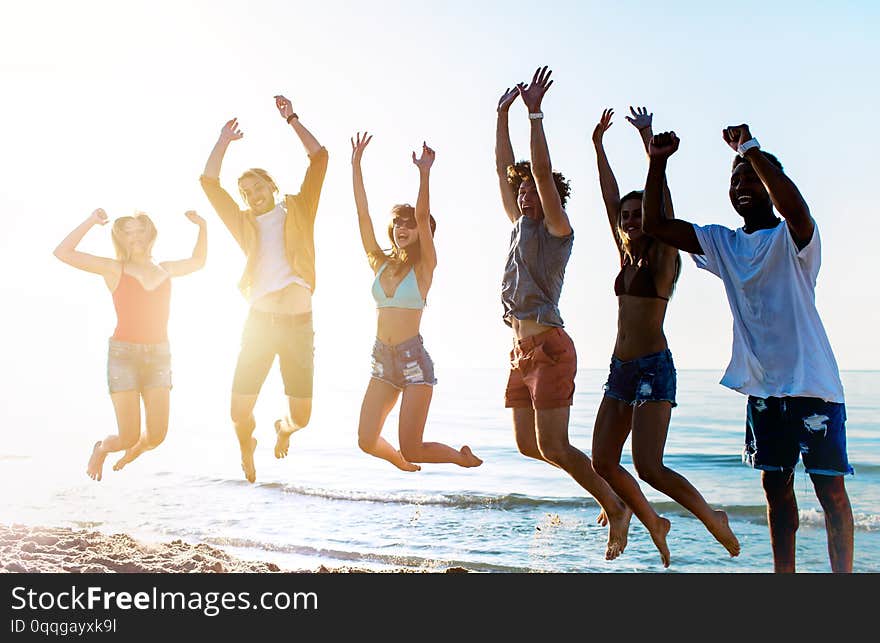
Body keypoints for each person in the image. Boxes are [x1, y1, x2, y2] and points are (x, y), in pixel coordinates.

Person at [642, 125, 854, 573]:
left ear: (770, 183)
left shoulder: (795, 239)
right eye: (735, 181)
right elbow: (656, 226)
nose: (742, 188)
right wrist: (657, 162)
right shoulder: (725, 243)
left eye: (751, 179)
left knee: (831, 494)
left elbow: (795, 207)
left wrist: (750, 150)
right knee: (777, 495)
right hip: (764, 392)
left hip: (814, 388)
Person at [590, 107, 740, 567]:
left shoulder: (661, 258)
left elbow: (664, 210)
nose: (632, 219)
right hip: (620, 371)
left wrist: (654, 150)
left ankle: (712, 515)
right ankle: (651, 520)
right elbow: (609, 196)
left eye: (638, 214)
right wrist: (598, 146)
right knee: (602, 463)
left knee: (649, 465)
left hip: (653, 369)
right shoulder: (625, 257)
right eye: (627, 216)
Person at [495, 66, 632, 561]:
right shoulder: (517, 224)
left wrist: (534, 114)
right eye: (523, 189)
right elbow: (504, 169)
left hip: (550, 349)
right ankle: (611, 495)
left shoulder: (556, 228)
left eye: (533, 187)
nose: (525, 192)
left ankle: (616, 506)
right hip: (519, 351)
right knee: (530, 447)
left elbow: (538, 170)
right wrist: (500, 115)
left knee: (554, 447)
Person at [200, 94, 328, 483]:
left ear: (271, 185)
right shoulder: (244, 225)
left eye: (258, 188)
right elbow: (208, 183)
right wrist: (222, 141)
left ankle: (282, 429)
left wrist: (291, 119)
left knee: (301, 418)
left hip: (298, 325)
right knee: (238, 412)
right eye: (248, 193)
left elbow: (320, 158)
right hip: (258, 323)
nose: (254, 196)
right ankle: (246, 443)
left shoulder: (300, 208)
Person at [350, 132, 482, 471]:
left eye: (409, 225)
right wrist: (356, 165)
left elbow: (424, 217)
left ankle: (459, 457)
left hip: (413, 363)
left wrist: (424, 173)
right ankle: (399, 462)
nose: (402, 228)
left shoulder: (424, 268)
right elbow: (362, 214)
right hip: (381, 359)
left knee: (414, 447)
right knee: (366, 441)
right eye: (397, 224)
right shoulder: (380, 263)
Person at [53, 207, 207, 481]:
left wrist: (202, 226)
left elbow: (198, 261)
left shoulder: (167, 269)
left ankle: (135, 451)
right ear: (120, 238)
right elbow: (63, 252)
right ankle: (101, 448)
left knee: (157, 436)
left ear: (150, 233)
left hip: (159, 356)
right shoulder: (114, 268)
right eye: (128, 232)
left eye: (139, 229)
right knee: (127, 436)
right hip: (123, 356)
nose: (134, 236)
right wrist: (90, 221)